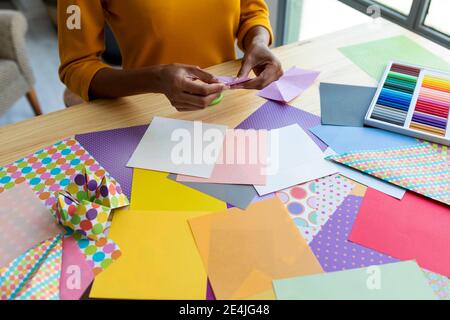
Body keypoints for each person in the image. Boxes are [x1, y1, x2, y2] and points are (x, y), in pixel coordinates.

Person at [58, 0, 283, 111]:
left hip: (230, 107)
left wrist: (258, 41)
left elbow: (251, 10)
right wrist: (157, 79)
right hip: (150, 115)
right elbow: (77, 65)